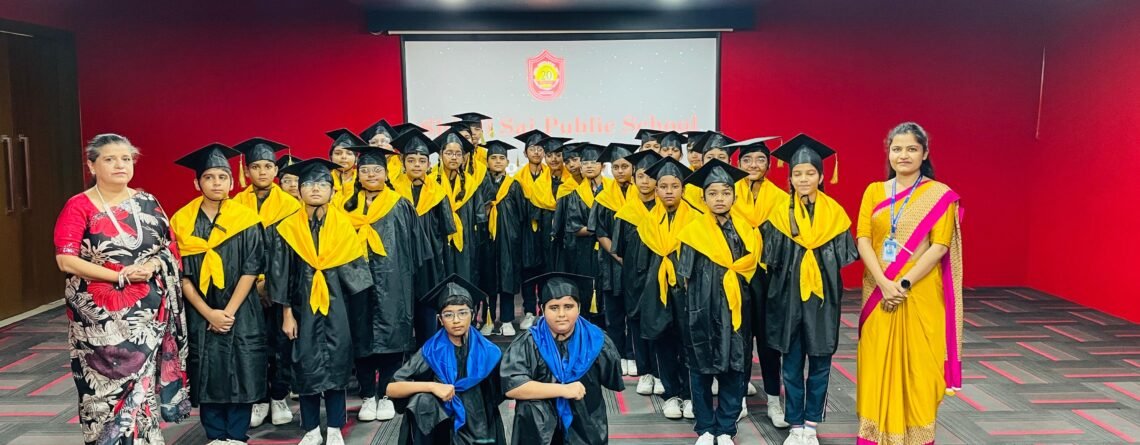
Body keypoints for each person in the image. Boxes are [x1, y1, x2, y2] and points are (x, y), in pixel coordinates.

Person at [54, 134, 190, 445]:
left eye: (126, 159)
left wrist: (152, 266)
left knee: (142, 389)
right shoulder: (79, 205)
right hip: (98, 321)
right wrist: (120, 277)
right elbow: (66, 260)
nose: (120, 165)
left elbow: (170, 249)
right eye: (110, 159)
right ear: (92, 165)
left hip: (146, 316)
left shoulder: (148, 202)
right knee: (103, 391)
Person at [855, 123, 963, 445]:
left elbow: (939, 246)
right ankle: (874, 436)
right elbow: (862, 239)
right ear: (888, 153)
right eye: (897, 149)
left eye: (912, 149)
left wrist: (901, 283)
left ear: (924, 153)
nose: (904, 155)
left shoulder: (940, 195)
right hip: (877, 292)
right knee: (876, 363)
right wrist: (883, 283)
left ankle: (917, 437)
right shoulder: (874, 191)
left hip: (919, 292)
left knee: (920, 368)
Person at [266, 158, 374, 445]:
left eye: (322, 184)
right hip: (301, 309)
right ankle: (312, 428)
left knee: (337, 364)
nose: (315, 189)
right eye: (309, 184)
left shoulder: (343, 226)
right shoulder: (287, 229)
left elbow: (357, 275)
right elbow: (281, 276)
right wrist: (287, 314)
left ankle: (335, 426)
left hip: (338, 308)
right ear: (299, 190)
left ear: (332, 191)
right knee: (305, 366)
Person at [761, 134, 857, 445]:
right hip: (787, 298)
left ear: (821, 176)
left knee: (820, 362)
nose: (803, 179)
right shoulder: (778, 215)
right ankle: (795, 424)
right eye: (797, 173)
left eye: (810, 173)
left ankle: (812, 424)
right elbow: (771, 261)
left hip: (822, 299)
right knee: (791, 364)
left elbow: (843, 258)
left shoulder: (835, 215)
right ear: (789, 178)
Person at [171, 143, 267, 445]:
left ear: (232, 181)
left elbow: (251, 269)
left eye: (222, 177)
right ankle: (214, 435)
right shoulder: (181, 221)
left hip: (241, 308)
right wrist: (209, 313)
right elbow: (181, 276)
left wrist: (228, 312)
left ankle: (236, 435)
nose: (216, 183)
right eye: (209, 177)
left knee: (242, 365)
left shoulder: (246, 219)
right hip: (201, 310)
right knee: (207, 367)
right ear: (196, 183)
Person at [676, 159, 758, 445]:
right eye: (712, 193)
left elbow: (751, 271)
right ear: (703, 197)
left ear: (734, 196)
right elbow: (685, 277)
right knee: (700, 368)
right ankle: (705, 428)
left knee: (735, 367)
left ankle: (725, 428)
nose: (719, 198)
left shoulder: (746, 230)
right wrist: (695, 309)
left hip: (736, 309)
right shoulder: (692, 231)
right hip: (702, 308)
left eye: (725, 192)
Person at [341, 145, 425, 423]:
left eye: (376, 170)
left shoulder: (400, 204)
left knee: (393, 334)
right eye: (365, 170)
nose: (371, 175)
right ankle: (368, 395)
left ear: (386, 174)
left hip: (394, 280)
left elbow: (416, 248)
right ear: (358, 175)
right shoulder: (345, 207)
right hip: (355, 282)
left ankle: (387, 393)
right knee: (361, 336)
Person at [501, 272, 625, 445]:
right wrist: (563, 389)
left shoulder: (596, 341)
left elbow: (613, 379)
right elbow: (512, 387)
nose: (561, 314)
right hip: (539, 430)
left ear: (579, 308)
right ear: (542, 309)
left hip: (585, 425)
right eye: (554, 307)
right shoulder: (529, 342)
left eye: (568, 306)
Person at [388, 274, 507, 444]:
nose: (456, 320)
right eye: (448, 314)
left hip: (479, 421)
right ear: (440, 320)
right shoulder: (432, 350)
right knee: (422, 401)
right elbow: (392, 388)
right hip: (442, 424)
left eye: (462, 313)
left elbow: (502, 391)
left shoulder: (489, 352)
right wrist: (432, 386)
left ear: (472, 315)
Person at [232, 137, 301, 428]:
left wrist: (273, 284)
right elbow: (233, 251)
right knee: (252, 343)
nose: (262, 172)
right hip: (245, 288)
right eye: (256, 167)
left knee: (281, 343)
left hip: (281, 286)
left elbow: (293, 251)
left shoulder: (290, 205)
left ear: (276, 170)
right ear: (246, 171)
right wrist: (255, 283)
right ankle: (259, 398)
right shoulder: (236, 205)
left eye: (268, 166)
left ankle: (279, 396)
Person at [724, 137, 790, 427]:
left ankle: (774, 401)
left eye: (760, 159)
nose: (753, 164)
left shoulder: (780, 198)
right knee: (738, 340)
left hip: (768, 277)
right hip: (737, 275)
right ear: (738, 163)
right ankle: (738, 400)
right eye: (747, 159)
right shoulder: (729, 194)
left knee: (769, 341)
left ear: (769, 165)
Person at [636, 157, 697, 420]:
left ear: (683, 189)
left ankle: (691, 395)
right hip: (657, 290)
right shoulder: (648, 222)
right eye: (663, 186)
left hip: (688, 290)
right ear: (656, 189)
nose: (669, 191)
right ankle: (671, 394)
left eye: (674, 186)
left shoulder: (697, 220)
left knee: (689, 343)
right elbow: (640, 263)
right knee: (663, 341)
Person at [390, 129, 458, 346]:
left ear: (429, 164)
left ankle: (428, 350)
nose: (417, 165)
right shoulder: (392, 192)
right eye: (411, 160)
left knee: (427, 306)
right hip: (401, 258)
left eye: (422, 161)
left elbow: (446, 232)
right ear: (403, 163)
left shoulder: (438, 193)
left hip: (430, 260)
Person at [613, 150, 664, 397]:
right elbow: (620, 250)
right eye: (640, 176)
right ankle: (645, 371)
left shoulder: (667, 210)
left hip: (661, 276)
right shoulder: (626, 213)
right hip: (633, 276)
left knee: (661, 323)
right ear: (633, 179)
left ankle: (661, 372)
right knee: (636, 322)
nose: (645, 181)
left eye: (650, 176)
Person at [588, 142, 640, 377]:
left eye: (625, 166)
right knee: (614, 313)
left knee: (635, 313)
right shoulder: (604, 196)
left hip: (638, 264)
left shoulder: (641, 195)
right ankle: (618, 354)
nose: (620, 171)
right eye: (616, 167)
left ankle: (633, 354)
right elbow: (600, 233)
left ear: (633, 168)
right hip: (611, 263)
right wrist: (620, 257)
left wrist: (633, 260)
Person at [475, 140, 528, 337]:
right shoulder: (481, 184)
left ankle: (507, 319)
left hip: (509, 240)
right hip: (487, 239)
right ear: (487, 161)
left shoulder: (514, 185)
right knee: (488, 279)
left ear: (507, 162)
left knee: (507, 279)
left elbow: (522, 215)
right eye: (493, 158)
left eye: (501, 158)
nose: (498, 161)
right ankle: (488, 320)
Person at [552, 143, 606, 325]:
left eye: (594, 162)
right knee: (585, 289)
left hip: (607, 251)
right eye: (586, 163)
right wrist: (599, 230)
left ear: (602, 166)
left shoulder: (612, 190)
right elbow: (573, 226)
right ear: (581, 168)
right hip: (582, 250)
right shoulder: (575, 193)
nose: (589, 166)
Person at [511, 130, 557, 330]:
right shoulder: (517, 179)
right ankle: (529, 311)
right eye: (532, 148)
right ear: (525, 152)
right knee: (528, 271)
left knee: (547, 270)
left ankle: (546, 310)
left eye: (540, 148)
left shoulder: (552, 176)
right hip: (526, 230)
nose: (537, 152)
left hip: (547, 229)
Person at [431, 128, 487, 294]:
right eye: (449, 153)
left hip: (466, 241)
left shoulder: (471, 183)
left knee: (465, 277)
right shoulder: (430, 182)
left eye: (458, 153)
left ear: (463, 157)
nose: (454, 157)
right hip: (439, 240)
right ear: (441, 155)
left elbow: (479, 215)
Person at [325, 128, 366, 204]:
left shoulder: (364, 180)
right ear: (330, 157)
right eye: (338, 153)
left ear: (356, 159)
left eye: (349, 153)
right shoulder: (323, 180)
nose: (343, 157)